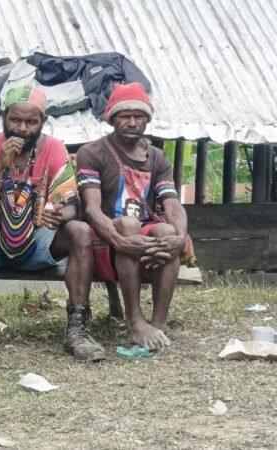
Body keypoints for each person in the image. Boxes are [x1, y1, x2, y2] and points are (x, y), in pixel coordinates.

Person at [0, 86, 103, 363]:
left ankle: (78, 328)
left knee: (80, 231)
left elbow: (71, 206)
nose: (22, 129)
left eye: (31, 122)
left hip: (39, 240)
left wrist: (60, 215)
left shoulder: (55, 149)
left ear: (43, 121)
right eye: (15, 120)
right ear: (3, 116)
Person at [76, 82, 187, 351]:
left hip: (142, 236)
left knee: (167, 232)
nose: (133, 122)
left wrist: (180, 237)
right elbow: (91, 209)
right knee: (128, 224)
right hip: (105, 237)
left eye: (139, 116)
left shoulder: (157, 157)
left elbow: (172, 204)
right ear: (112, 118)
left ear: (147, 120)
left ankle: (158, 324)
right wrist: (119, 239)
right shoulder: (92, 153)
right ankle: (135, 321)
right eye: (125, 116)